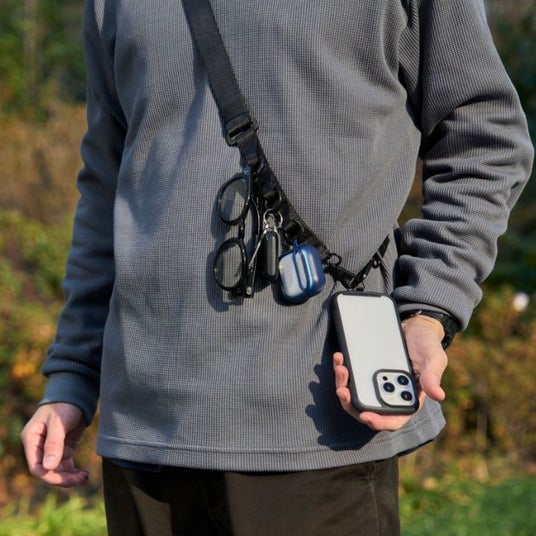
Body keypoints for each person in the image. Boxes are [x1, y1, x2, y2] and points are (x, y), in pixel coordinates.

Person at [21, 1, 533, 535]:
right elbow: (107, 184)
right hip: (145, 436)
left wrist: (429, 309)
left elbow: (487, 140)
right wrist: (73, 374)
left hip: (317, 426)